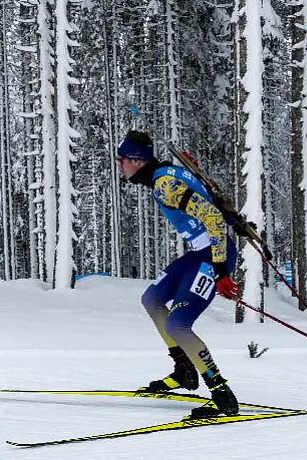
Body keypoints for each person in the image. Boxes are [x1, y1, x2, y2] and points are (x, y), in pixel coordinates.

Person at [115, 130, 240, 417]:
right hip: (200, 252)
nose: (119, 165)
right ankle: (185, 370)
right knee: (152, 298)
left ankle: (222, 394)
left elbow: (212, 218)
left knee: (177, 324)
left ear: (136, 160)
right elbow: (209, 200)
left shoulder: (164, 184)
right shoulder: (167, 172)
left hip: (212, 254)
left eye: (122, 159)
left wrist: (220, 269)